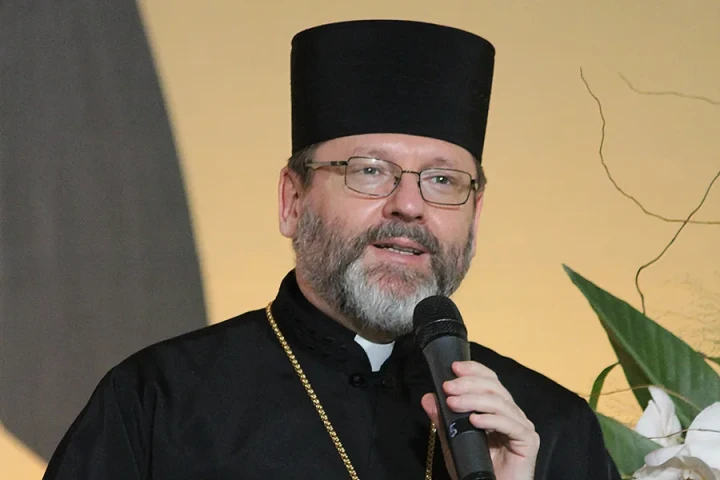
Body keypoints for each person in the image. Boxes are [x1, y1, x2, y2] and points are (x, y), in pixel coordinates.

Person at [43, 19, 621, 479]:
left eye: (443, 180)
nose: (408, 205)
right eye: (369, 171)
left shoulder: (549, 428)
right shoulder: (158, 403)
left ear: (476, 217)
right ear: (292, 200)